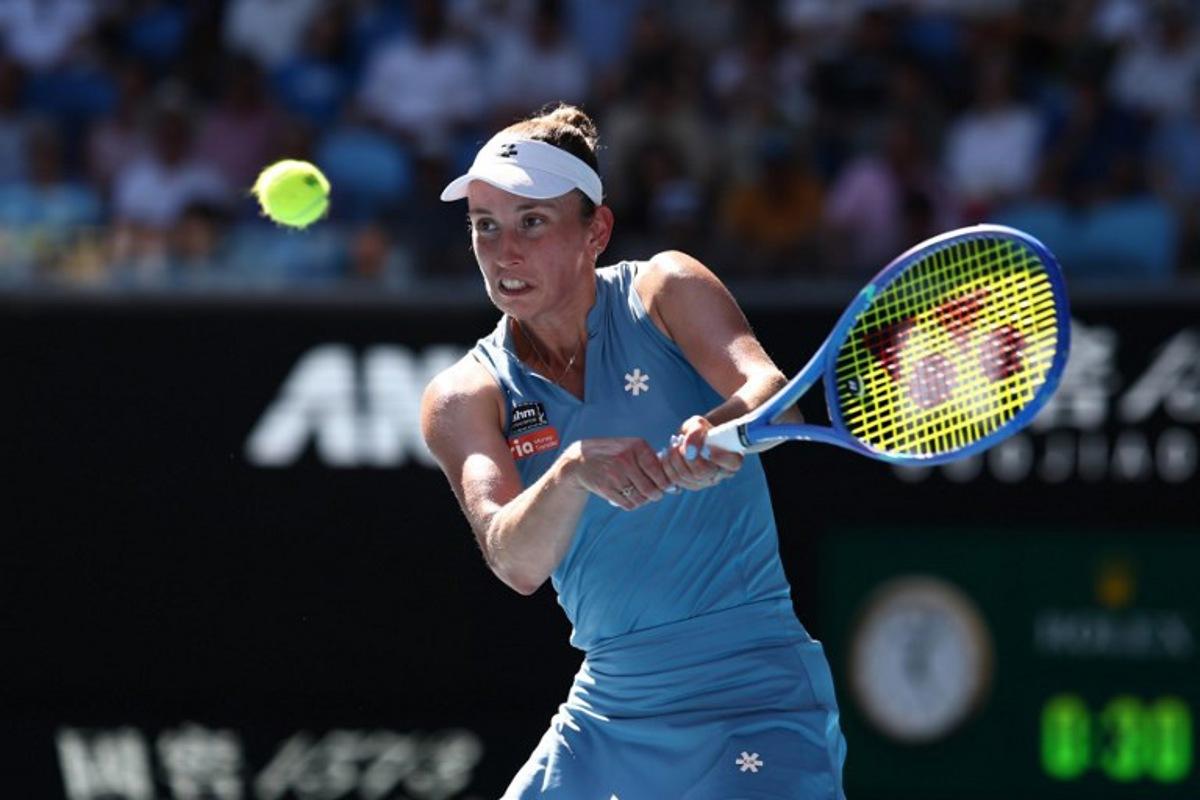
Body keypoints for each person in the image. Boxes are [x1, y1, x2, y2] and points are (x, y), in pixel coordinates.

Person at [421, 103, 846, 799]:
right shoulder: (465, 395)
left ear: (597, 231)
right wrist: (570, 472)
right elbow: (514, 559)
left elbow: (772, 392)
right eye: (485, 227)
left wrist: (723, 428)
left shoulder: (665, 289)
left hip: (757, 698)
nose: (505, 253)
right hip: (608, 712)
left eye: (533, 222)